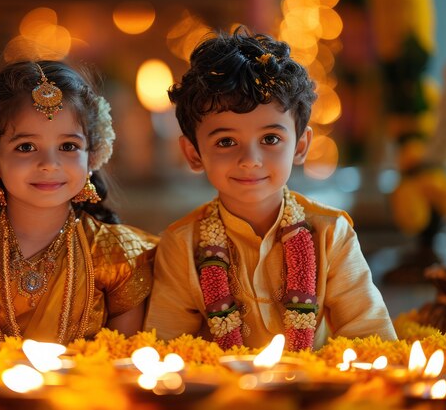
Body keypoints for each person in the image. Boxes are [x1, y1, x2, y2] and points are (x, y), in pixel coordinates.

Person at [144, 28, 397, 351]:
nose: (250, 160)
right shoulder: (181, 245)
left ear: (301, 145)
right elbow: (169, 352)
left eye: (270, 139)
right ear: (193, 153)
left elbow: (371, 341)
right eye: (226, 142)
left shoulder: (331, 234)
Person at [0, 60, 157, 348]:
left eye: (68, 146)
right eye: (26, 147)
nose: (49, 164)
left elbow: (126, 363)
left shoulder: (117, 255)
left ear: (93, 156)